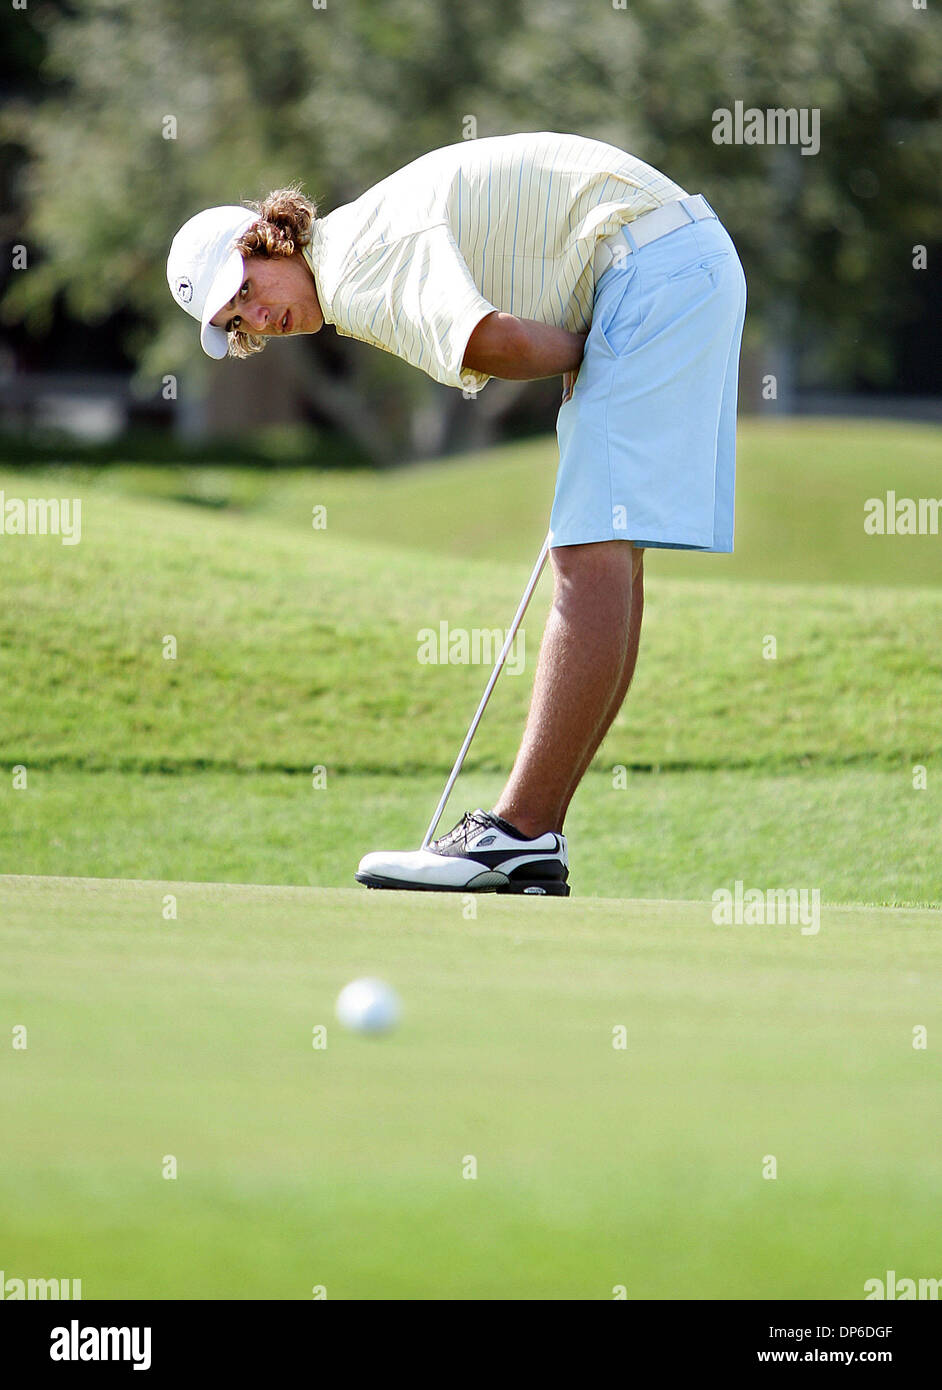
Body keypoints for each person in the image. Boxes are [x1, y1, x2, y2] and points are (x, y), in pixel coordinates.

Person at [167, 131, 747, 898]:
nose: (253, 319)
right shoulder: (352, 252)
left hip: (652, 268)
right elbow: (504, 341)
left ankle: (519, 833)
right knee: (606, 551)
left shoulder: (358, 265)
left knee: (588, 553)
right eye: (234, 321)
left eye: (245, 290)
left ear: (267, 241)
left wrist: (590, 353)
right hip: (672, 259)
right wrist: (594, 353)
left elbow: (495, 342)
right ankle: (532, 838)